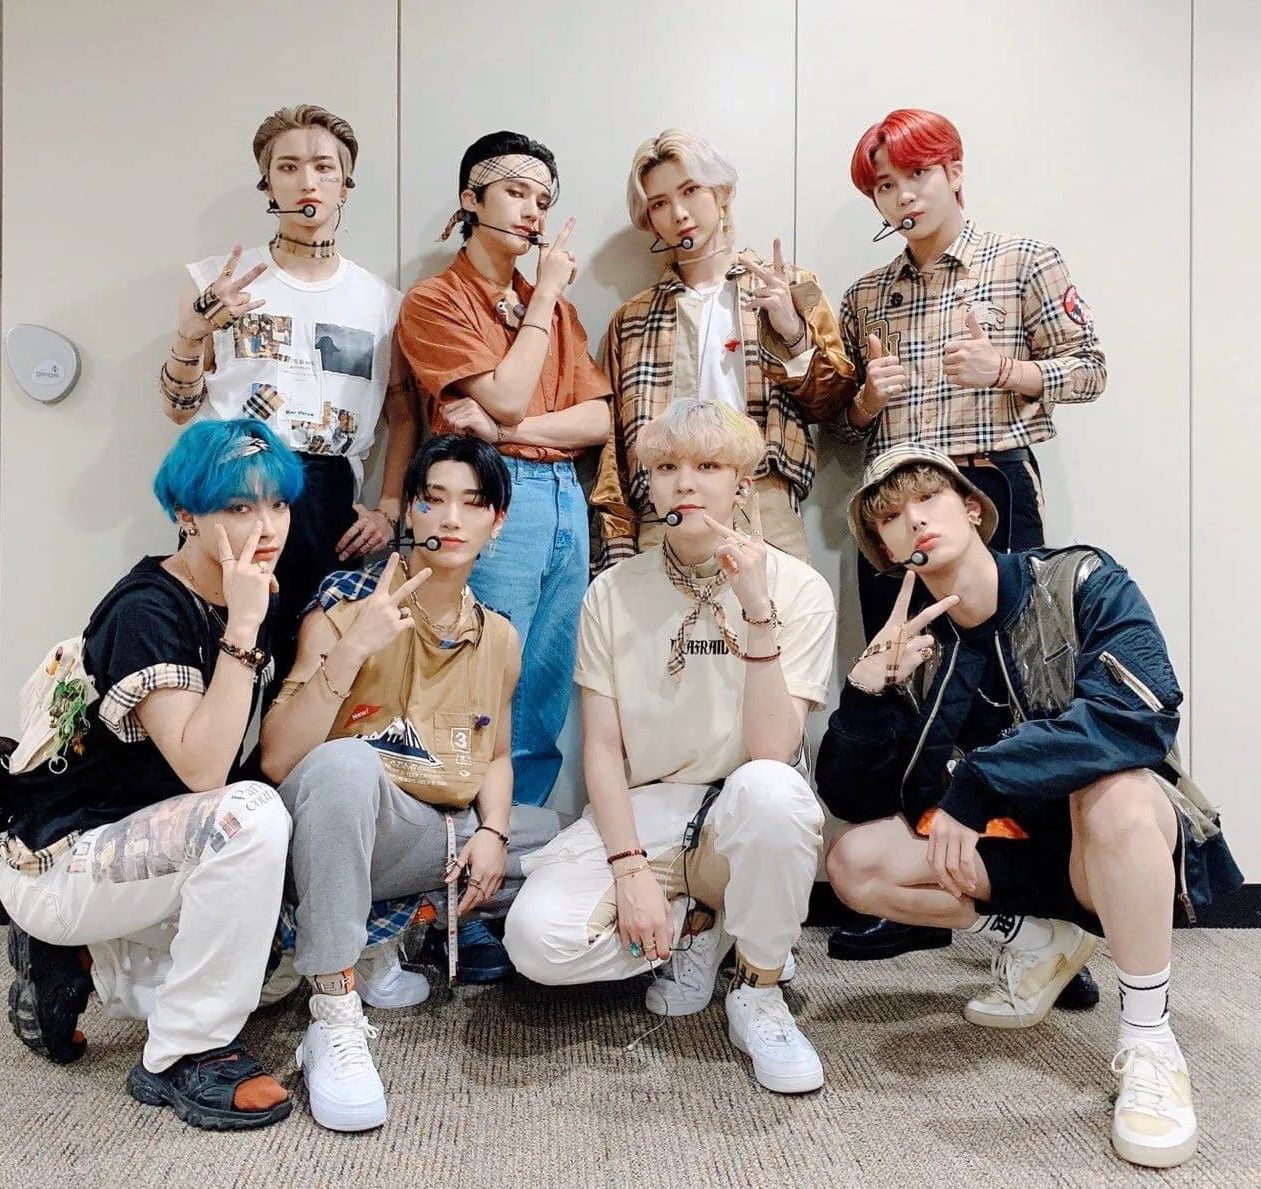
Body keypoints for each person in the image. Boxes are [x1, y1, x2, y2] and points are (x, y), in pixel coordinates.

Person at [819, 443, 1241, 1168]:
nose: (913, 519)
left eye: (929, 498)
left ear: (972, 508)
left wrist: (982, 779)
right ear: (886, 551)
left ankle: (1149, 1042)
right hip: (1012, 855)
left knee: (1117, 796)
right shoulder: (918, 649)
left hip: (1107, 848)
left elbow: (1140, 712)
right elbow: (854, 799)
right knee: (855, 861)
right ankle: (1034, 937)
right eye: (890, 516)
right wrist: (866, 692)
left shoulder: (1081, 579)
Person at [827, 107, 1108, 965]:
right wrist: (865, 402)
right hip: (893, 508)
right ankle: (916, 892)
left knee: (1015, 686)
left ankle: (1045, 905)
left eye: (917, 174)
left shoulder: (1023, 260)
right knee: (905, 677)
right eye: (885, 185)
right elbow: (841, 426)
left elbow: (1092, 366)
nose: (903, 196)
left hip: (992, 489)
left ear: (953, 171)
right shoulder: (865, 295)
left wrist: (1008, 370)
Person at [506, 401, 834, 1095]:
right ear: (648, 484)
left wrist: (756, 609)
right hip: (651, 810)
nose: (685, 482)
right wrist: (628, 872)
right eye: (666, 467)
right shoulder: (612, 591)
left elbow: (772, 750)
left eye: (708, 465)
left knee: (773, 791)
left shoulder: (799, 589)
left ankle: (758, 988)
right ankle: (700, 924)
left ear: (741, 483)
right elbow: (601, 748)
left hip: (741, 808)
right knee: (536, 942)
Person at [0, 419, 302, 1131]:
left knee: (274, 970)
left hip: (142, 846)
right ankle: (184, 1055)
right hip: (66, 855)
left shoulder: (247, 590)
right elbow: (205, 770)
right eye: (238, 506)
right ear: (187, 515)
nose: (266, 526)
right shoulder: (147, 609)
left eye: (278, 503)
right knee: (250, 816)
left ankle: (76, 958)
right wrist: (244, 629)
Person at [259, 434, 561, 1131]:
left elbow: (495, 754)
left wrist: (494, 832)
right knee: (344, 763)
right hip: (333, 820)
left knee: (563, 839)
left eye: (472, 503)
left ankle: (387, 934)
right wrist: (354, 648)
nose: (451, 518)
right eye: (434, 499)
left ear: (497, 521)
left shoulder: (499, 636)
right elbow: (277, 759)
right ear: (411, 512)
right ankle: (333, 1008)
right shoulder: (346, 601)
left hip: (429, 830)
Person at [161, 103, 416, 675]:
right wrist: (192, 332)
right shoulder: (214, 282)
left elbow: (403, 413)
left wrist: (389, 508)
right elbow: (178, 409)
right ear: (267, 182)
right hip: (229, 479)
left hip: (327, 492)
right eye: (288, 166)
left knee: (309, 668)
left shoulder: (382, 302)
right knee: (211, 656)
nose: (307, 181)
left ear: (345, 184)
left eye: (324, 167)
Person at [397, 130, 612, 808]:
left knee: (545, 680)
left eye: (542, 200)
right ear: (471, 198)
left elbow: (600, 420)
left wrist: (502, 428)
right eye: (516, 193)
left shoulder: (559, 310)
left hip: (564, 495)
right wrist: (544, 297)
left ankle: (521, 838)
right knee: (480, 674)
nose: (532, 212)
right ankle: (462, 837)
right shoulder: (435, 300)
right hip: (485, 493)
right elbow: (511, 393)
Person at [596, 128, 858, 568]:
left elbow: (834, 403)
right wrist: (617, 541)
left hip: (761, 501)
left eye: (690, 190)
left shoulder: (789, 286)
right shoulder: (633, 319)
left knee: (774, 613)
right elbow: (613, 447)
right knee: (664, 616)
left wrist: (792, 332)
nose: (679, 213)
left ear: (721, 192)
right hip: (664, 510)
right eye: (659, 203)